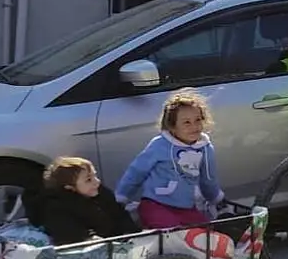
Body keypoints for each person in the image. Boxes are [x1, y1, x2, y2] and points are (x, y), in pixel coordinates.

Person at [115, 89, 226, 229]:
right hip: (156, 204)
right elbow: (137, 172)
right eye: (187, 122)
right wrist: (122, 196)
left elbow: (208, 179)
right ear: (172, 126)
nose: (194, 126)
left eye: (198, 120)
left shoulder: (205, 148)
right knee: (170, 232)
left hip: (186, 207)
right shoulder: (160, 145)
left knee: (205, 233)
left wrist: (216, 198)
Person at [24, 156, 141, 245]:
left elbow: (118, 213)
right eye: (89, 179)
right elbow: (70, 233)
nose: (97, 182)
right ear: (69, 187)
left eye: (95, 176)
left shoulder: (100, 192)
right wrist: (90, 239)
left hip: (111, 241)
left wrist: (131, 233)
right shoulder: (57, 207)